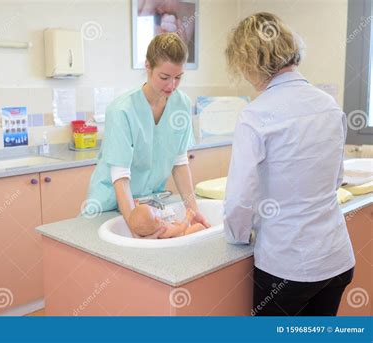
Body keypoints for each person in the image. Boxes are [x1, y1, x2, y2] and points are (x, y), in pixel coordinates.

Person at [223, 12, 355, 316]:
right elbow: (335, 180)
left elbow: (240, 201)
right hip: (336, 260)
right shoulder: (329, 106)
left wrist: (239, 237)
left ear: (250, 61)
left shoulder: (255, 115)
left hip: (288, 269)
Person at [85, 32, 209, 238]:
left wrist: (193, 211)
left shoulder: (181, 104)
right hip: (109, 206)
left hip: (147, 208)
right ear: (148, 67)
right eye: (164, 77)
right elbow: (120, 175)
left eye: (178, 77)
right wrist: (134, 224)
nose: (172, 85)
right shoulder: (122, 110)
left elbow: (179, 163)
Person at [128, 201, 207, 238]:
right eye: (153, 209)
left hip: (182, 229)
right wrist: (188, 217)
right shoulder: (164, 231)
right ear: (157, 219)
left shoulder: (158, 225)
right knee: (198, 226)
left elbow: (142, 216)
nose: (155, 207)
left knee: (195, 225)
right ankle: (208, 236)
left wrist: (137, 205)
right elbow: (181, 229)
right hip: (184, 235)